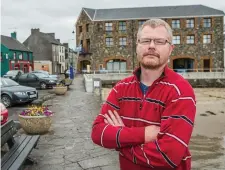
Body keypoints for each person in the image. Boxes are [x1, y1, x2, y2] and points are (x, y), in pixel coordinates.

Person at [91, 18, 196, 170]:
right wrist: (145, 134)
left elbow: (169, 155)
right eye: (146, 40)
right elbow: (97, 133)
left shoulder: (180, 91)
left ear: (170, 49)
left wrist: (120, 140)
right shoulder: (120, 89)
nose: (151, 46)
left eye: (160, 41)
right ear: (137, 46)